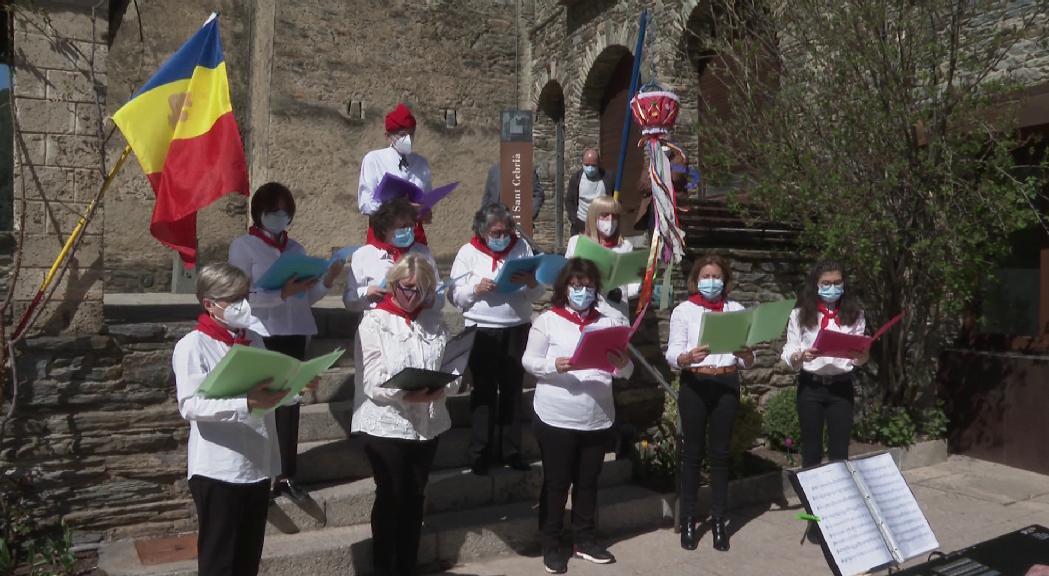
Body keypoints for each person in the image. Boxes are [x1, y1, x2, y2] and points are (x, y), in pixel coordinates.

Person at [172, 263, 313, 576]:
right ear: (210, 304)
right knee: (220, 561)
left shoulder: (254, 339)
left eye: (245, 295)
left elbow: (270, 388)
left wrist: (295, 385)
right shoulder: (193, 346)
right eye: (234, 299)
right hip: (219, 467)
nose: (243, 305)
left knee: (248, 559)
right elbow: (192, 406)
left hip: (256, 464)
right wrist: (245, 403)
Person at [228, 182, 343, 503]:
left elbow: (306, 297)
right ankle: (261, 475)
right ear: (259, 214)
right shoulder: (243, 246)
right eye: (273, 212)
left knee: (290, 406)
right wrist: (281, 294)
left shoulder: (296, 250)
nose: (280, 218)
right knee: (265, 407)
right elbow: (240, 296)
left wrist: (327, 281)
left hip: (295, 333)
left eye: (285, 212)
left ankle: (287, 475)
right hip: (264, 333)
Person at [522, 258, 633, 574]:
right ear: (564, 288)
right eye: (575, 285)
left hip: (596, 416)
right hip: (556, 416)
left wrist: (622, 363)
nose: (582, 291)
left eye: (587, 286)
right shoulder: (548, 321)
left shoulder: (610, 321)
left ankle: (584, 539)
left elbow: (627, 371)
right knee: (557, 483)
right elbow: (529, 361)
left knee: (588, 482)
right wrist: (553, 365)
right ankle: (551, 541)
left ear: (596, 288)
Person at [352, 254, 457, 576]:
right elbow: (372, 379)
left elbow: (453, 369)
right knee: (391, 496)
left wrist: (446, 388)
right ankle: (384, 566)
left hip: (427, 424)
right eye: (407, 288)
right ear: (393, 285)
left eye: (421, 289)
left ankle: (406, 565)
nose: (413, 295)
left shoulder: (434, 322)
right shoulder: (375, 322)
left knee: (414, 498)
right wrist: (404, 393)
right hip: (387, 424)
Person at [664, 255, 754, 552]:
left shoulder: (736, 309)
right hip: (696, 383)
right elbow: (672, 353)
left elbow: (747, 360)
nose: (711, 281)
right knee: (691, 455)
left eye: (717, 276)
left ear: (725, 280)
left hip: (726, 382)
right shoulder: (684, 311)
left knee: (720, 455)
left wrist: (746, 353)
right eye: (706, 276)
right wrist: (687, 358)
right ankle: (688, 520)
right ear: (695, 279)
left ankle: (718, 521)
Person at [447, 203, 545, 475]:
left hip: (516, 326)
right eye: (495, 232)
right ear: (482, 230)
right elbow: (456, 296)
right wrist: (476, 288)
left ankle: (512, 451)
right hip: (482, 329)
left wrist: (532, 282)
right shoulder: (468, 253)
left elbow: (535, 296)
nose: (501, 236)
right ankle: (480, 452)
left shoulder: (522, 248)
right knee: (484, 391)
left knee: (513, 390)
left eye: (505, 231)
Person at [781, 260, 867, 541]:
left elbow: (858, 351)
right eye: (827, 283)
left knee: (840, 453)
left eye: (837, 283)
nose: (832, 288)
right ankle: (813, 517)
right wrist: (799, 356)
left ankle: (838, 514)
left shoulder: (855, 314)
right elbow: (789, 349)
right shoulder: (800, 315)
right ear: (816, 285)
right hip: (811, 387)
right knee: (811, 452)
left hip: (841, 388)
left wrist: (862, 356)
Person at [343, 197, 439, 314]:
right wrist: (367, 293)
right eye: (402, 227)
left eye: (411, 226)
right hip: (379, 326)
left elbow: (438, 290)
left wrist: (428, 298)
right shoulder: (363, 255)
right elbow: (348, 300)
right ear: (385, 229)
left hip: (419, 325)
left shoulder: (423, 252)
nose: (408, 230)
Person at [358, 102, 433, 243]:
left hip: (414, 234)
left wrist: (425, 211)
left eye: (411, 134)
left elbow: (426, 200)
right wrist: (401, 208)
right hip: (384, 232)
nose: (408, 139)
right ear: (388, 136)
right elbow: (365, 203)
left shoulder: (421, 163)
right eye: (402, 135)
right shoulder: (373, 159)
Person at [565, 195, 640, 320]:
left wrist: (641, 286)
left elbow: (630, 286)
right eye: (605, 215)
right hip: (583, 315)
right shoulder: (576, 242)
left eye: (614, 216)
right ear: (593, 217)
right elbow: (567, 280)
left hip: (615, 314)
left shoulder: (625, 246)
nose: (610, 220)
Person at [565, 148, 613, 236]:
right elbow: (569, 201)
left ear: (599, 164)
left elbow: (613, 199)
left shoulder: (608, 178)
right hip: (581, 224)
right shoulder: (576, 179)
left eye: (593, 165)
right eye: (587, 165)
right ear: (582, 162)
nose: (590, 168)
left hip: (601, 225)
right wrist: (574, 220)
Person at [481, 162, 545, 220]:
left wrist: (529, 214)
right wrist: (483, 218)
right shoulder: (494, 170)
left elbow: (538, 194)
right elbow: (487, 196)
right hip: (495, 221)